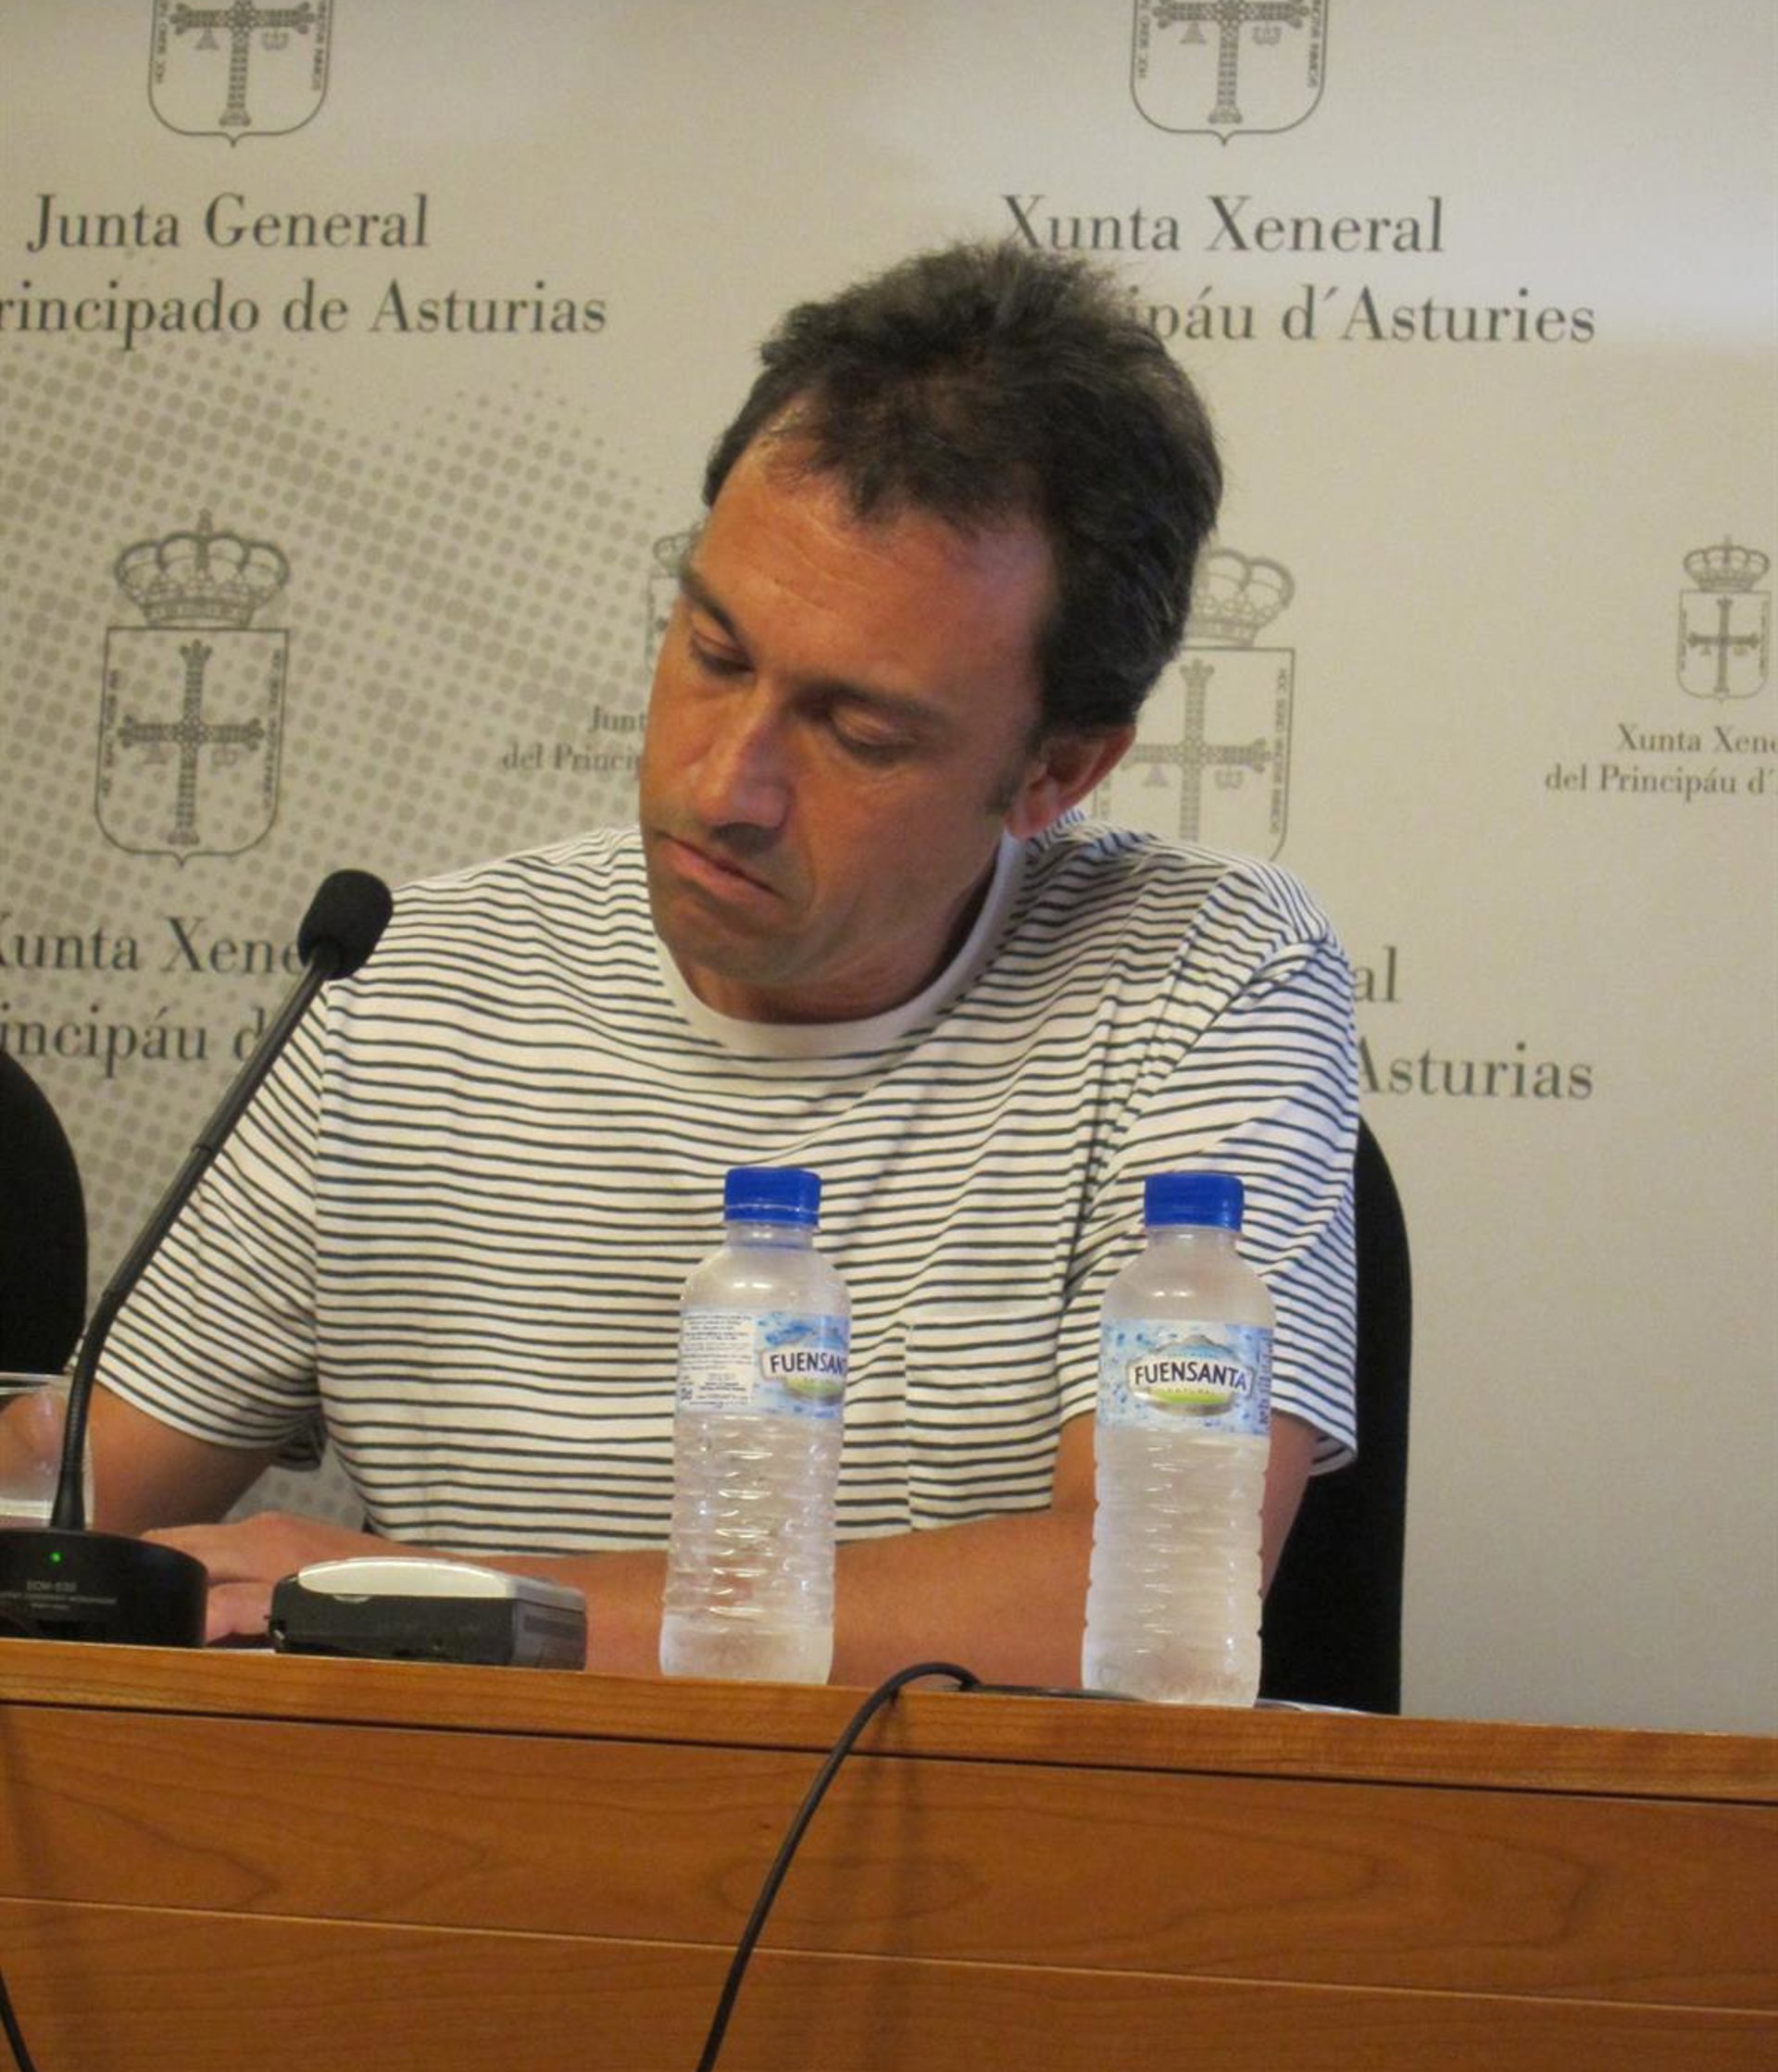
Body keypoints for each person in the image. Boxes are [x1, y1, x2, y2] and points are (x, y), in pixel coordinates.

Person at [87, 239, 1358, 1679]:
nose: (723, 785)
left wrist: (429, 1599)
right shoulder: (410, 987)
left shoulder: (1203, 976)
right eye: (712, 652)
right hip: (452, 1826)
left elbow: (1133, 1587)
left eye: (858, 733)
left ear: (1056, 771)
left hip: (937, 1828)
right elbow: (75, 1502)